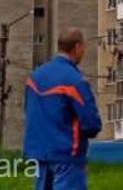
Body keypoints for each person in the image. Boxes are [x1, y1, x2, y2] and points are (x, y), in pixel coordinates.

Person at [23, 27, 102, 190]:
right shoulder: (75, 80)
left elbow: (29, 110)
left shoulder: (34, 77)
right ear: (77, 47)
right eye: (83, 48)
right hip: (66, 154)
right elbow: (91, 122)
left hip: (39, 153)